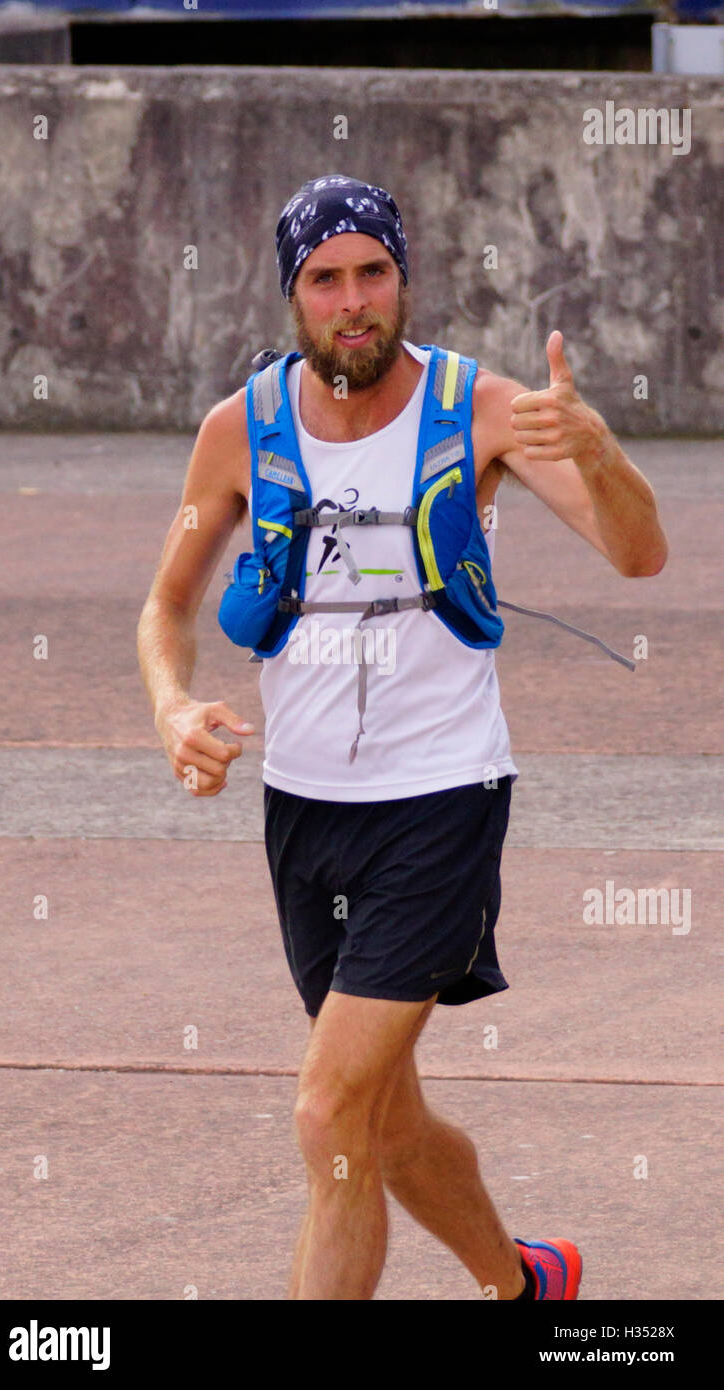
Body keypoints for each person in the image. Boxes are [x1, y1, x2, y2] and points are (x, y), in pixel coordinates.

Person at [137, 174, 668, 1301]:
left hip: (444, 799)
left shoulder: (482, 408)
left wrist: (602, 448)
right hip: (306, 812)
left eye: (373, 272)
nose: (353, 301)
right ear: (294, 295)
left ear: (403, 279)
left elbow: (638, 555)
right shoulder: (240, 430)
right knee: (384, 1117)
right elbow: (166, 606)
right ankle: (525, 1286)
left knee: (328, 1111)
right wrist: (173, 706)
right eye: (325, 279)